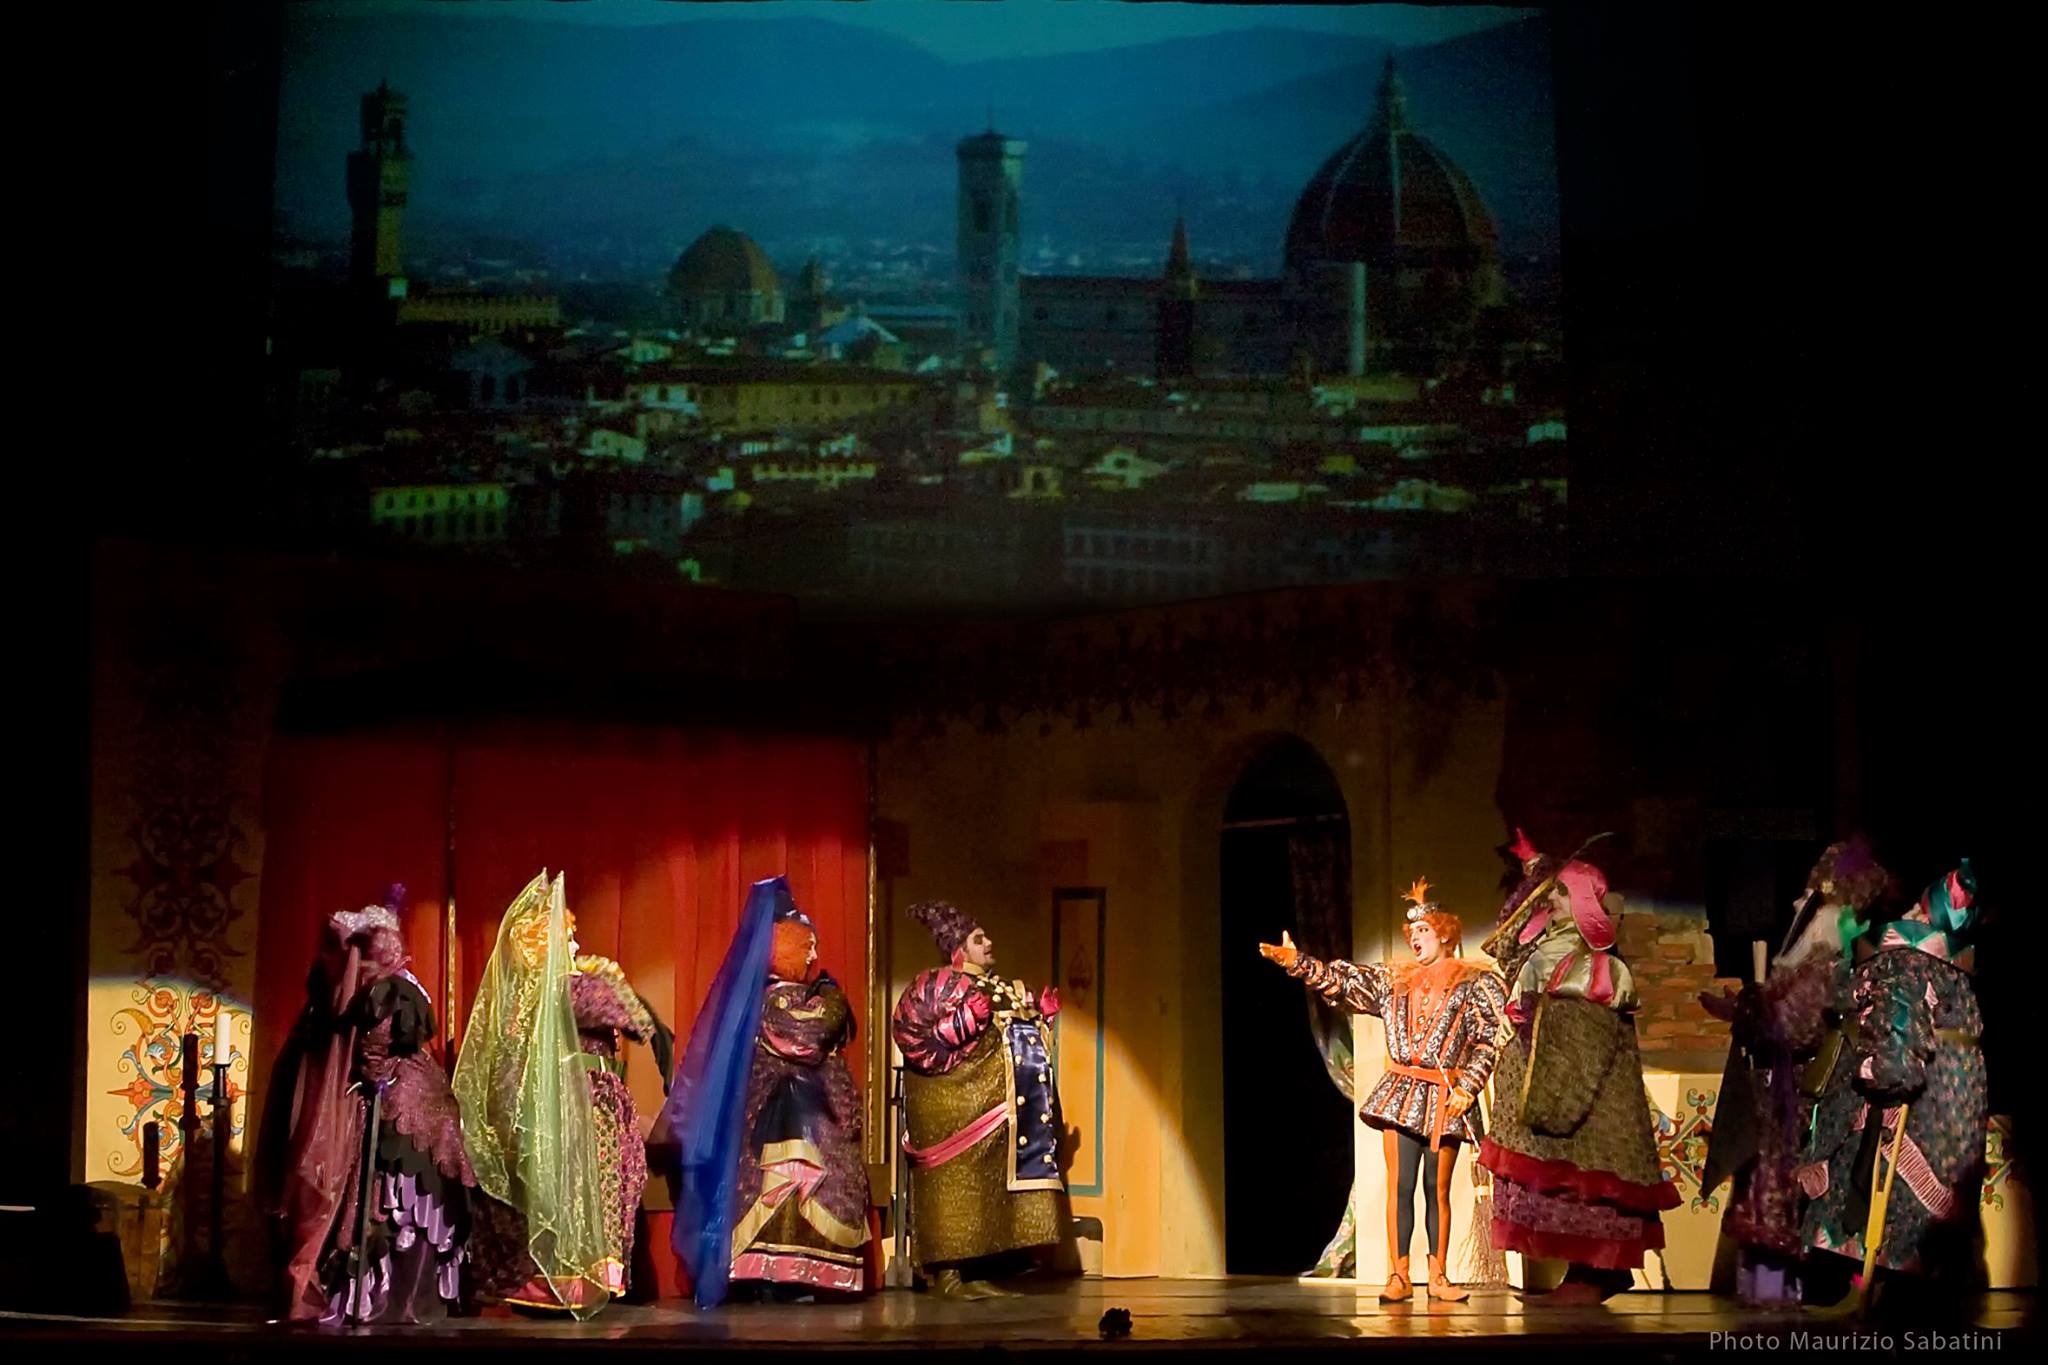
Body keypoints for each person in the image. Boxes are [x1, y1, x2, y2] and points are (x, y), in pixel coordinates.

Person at [1260, 877, 1508, 1302]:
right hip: (1402, 1094)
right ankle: (1399, 1274)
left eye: (1424, 930)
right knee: (1401, 1184)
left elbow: (1488, 1040)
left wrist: (1468, 1085)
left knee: (1437, 1189)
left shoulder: (1473, 986)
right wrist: (1298, 962)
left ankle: (1439, 1275)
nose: (1416, 939)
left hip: (1445, 1096)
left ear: (1445, 934)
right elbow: (1343, 981)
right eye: (1412, 933)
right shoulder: (1394, 982)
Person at [1477, 830, 1679, 1303]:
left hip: (1581, 1097)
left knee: (1586, 1185)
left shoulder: (1594, 964)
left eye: (1562, 893)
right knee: (1563, 1185)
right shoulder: (1544, 949)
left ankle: (1596, 1274)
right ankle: (1586, 1275)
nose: (1551, 902)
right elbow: (1504, 944)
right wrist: (1536, 872)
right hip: (1547, 1085)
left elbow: (1582, 1041)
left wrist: (1553, 1093)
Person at [259, 890, 473, 1324]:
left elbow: (377, 1050)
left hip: (404, 1107)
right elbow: (368, 1051)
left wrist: (370, 1077)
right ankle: (367, 1295)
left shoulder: (390, 991)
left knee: (394, 1199)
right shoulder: (367, 990)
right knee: (376, 1197)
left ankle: (384, 1296)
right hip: (385, 1101)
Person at [1698, 838, 1894, 1305]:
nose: (1796, 905)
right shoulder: (1811, 961)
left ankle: (1783, 1292)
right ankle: (1769, 1291)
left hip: (1800, 1102)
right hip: (1780, 1099)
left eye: (1808, 897)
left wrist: (1750, 1012)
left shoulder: (1826, 963)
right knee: (1770, 1192)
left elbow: (1796, 1027)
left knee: (1786, 1193)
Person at [1796, 862, 1988, 1317]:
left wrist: (1887, 1073)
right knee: (1915, 1188)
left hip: (1930, 1096)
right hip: (1946, 1088)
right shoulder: (1933, 963)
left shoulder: (1913, 960)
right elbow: (1904, 1023)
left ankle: (1892, 1294)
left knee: (1905, 1192)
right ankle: (1895, 1293)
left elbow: (1899, 1025)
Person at [668, 878, 870, 1305]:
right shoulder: (776, 1000)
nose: (813, 957)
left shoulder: (781, 996)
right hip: (786, 1125)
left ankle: (796, 1276)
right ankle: (776, 1276)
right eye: (806, 947)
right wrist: (833, 1000)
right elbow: (807, 1035)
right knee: (789, 1186)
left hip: (812, 1120)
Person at [454, 871, 615, 1316]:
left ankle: (554, 1278)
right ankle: (538, 1282)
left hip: (553, 1111)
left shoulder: (553, 995)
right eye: (568, 939)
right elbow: (513, 1069)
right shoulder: (532, 1001)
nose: (575, 948)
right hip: (528, 1113)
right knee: (532, 1193)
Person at [891, 900, 1067, 1299]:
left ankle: (981, 1269)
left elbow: (1012, 1039)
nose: (988, 944)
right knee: (959, 1188)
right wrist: (963, 1023)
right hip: (960, 1109)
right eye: (978, 939)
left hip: (1001, 1111)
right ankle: (950, 1274)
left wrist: (1041, 1019)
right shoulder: (943, 987)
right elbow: (930, 1046)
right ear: (958, 949)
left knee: (989, 1193)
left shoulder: (1003, 988)